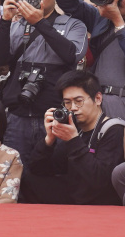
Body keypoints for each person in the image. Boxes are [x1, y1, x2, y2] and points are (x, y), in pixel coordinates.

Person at [0, 0, 87, 163]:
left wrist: (40, 23)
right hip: (17, 116)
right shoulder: (17, 25)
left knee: (55, 177)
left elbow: (72, 55)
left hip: (55, 116)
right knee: (16, 176)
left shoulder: (73, 25)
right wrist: (6, 21)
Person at [21, 70, 124, 205]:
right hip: (76, 195)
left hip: (101, 202)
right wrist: (49, 140)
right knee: (27, 179)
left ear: (98, 99)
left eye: (78, 101)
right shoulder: (76, 130)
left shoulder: (114, 129)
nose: (73, 108)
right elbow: (38, 170)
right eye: (67, 102)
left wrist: (73, 140)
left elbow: (100, 181)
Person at [56, 0, 125, 119]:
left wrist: (118, 22)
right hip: (96, 102)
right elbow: (64, 0)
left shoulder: (110, 18)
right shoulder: (99, 19)